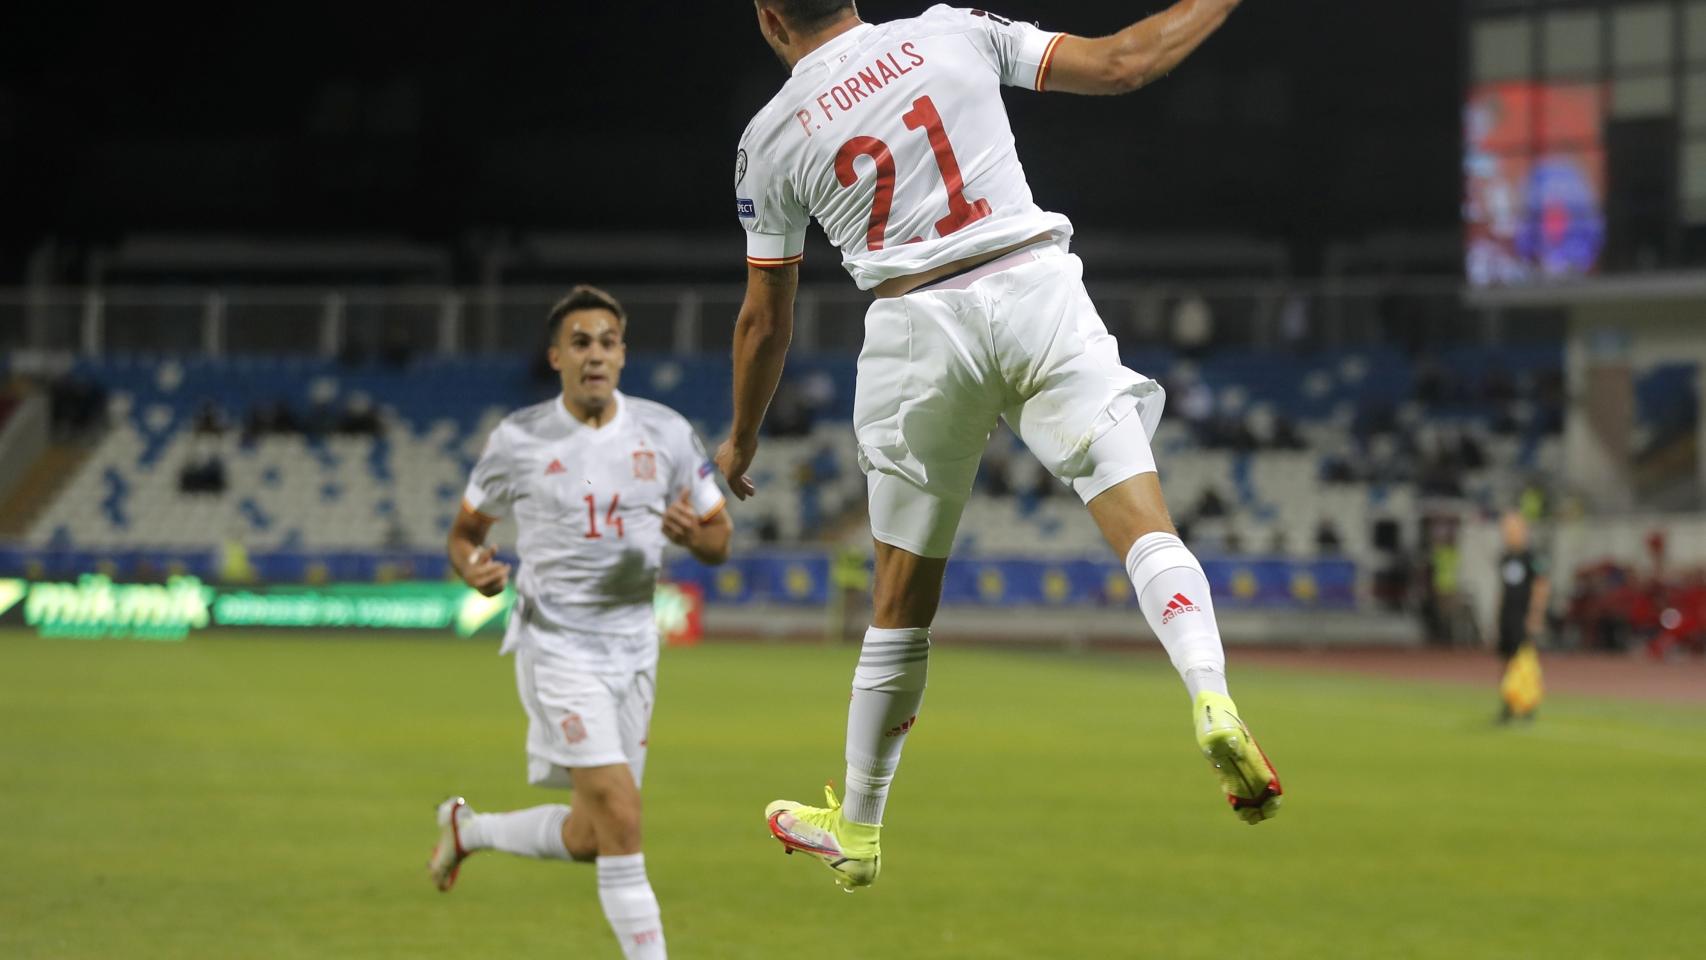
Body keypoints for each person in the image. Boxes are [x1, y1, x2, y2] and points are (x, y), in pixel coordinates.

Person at [716, 0, 1279, 892]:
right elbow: (1126, 62)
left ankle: (859, 826)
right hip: (1032, 286)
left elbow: (763, 322)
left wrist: (742, 439)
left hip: (914, 325)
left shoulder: (770, 136)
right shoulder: (950, 29)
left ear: (767, 19)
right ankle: (1210, 692)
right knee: (1140, 518)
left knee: (900, 598)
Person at [430, 286, 733, 959]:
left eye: (606, 342)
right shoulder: (518, 439)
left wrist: (694, 537)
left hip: (634, 649)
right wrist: (471, 567)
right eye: (580, 343)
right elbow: (462, 534)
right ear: (557, 358)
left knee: (592, 836)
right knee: (624, 818)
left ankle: (467, 831)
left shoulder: (668, 431)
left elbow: (720, 539)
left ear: (622, 355)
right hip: (556, 645)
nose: (594, 355)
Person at [1495, 511, 1548, 722]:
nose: (1508, 535)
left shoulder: (1532, 557)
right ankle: (1508, 704)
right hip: (1507, 616)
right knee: (1506, 660)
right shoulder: (1505, 557)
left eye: (1512, 530)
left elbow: (1542, 585)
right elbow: (1503, 588)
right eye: (1506, 531)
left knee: (1525, 661)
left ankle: (1528, 705)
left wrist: (1535, 614)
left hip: (1522, 615)